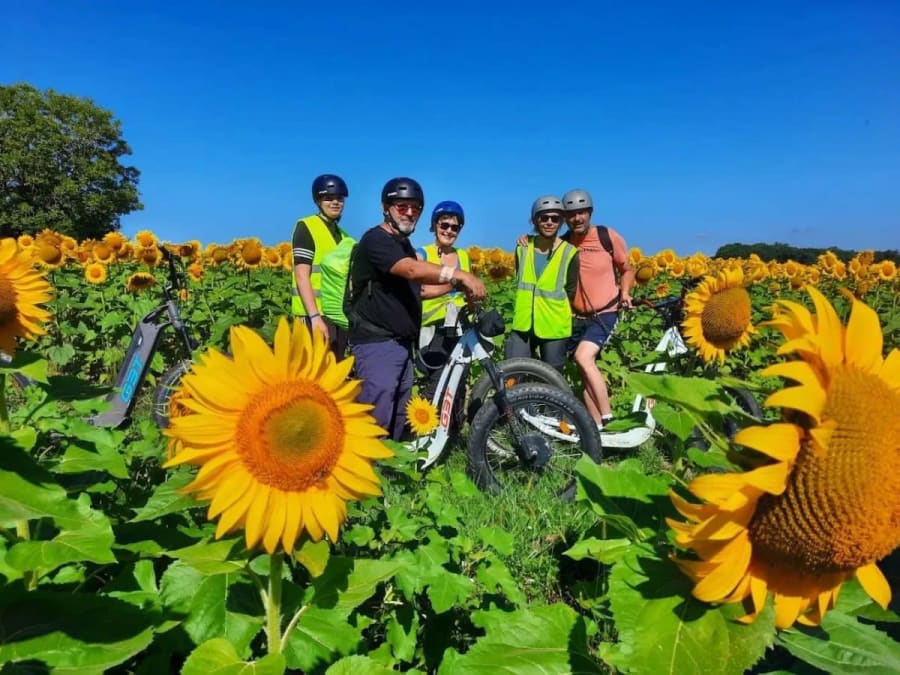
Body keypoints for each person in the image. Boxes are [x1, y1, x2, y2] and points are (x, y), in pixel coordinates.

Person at [347, 178, 486, 441]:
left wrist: (455, 285)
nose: (410, 213)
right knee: (376, 413)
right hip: (378, 343)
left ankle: (393, 474)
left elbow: (416, 287)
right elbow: (411, 270)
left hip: (400, 342)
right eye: (402, 206)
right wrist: (458, 275)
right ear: (386, 207)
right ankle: (367, 476)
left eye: (415, 208)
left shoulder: (402, 244)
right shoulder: (377, 239)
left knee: (398, 414)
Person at [560, 188, 635, 428]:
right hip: (576, 316)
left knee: (584, 358)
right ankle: (596, 428)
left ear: (590, 212)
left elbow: (627, 269)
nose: (577, 218)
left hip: (605, 312)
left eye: (581, 212)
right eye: (571, 214)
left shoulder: (607, 236)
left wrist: (625, 293)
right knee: (584, 372)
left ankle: (608, 418)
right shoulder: (563, 243)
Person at [505, 196, 580, 372]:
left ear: (561, 221)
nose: (549, 222)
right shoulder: (522, 248)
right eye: (544, 217)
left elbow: (570, 291)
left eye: (555, 218)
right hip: (523, 323)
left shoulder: (570, 253)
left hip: (554, 326)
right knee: (513, 374)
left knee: (551, 379)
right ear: (535, 220)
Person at [414, 200, 471, 400]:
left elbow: (468, 292)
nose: (449, 231)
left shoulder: (463, 256)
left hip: (458, 328)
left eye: (454, 227)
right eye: (444, 225)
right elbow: (419, 290)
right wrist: (453, 284)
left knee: (460, 379)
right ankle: (427, 426)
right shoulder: (422, 254)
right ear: (434, 225)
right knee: (436, 380)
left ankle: (454, 428)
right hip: (432, 329)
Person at [291, 174, 351, 358]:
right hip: (313, 316)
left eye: (339, 198)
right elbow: (302, 275)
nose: (335, 202)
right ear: (318, 201)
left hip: (337, 317)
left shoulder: (344, 236)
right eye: (328, 198)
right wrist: (314, 317)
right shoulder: (306, 226)